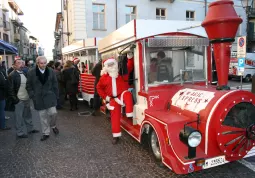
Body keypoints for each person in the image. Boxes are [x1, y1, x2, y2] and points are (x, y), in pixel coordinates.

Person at [97, 58, 134, 144]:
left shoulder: (121, 74)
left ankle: (129, 114)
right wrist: (106, 97)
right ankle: (116, 136)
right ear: (106, 67)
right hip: (112, 99)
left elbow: (129, 66)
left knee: (128, 94)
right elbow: (99, 88)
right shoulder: (103, 78)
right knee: (115, 118)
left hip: (121, 95)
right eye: (109, 65)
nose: (111, 67)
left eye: (112, 64)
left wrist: (130, 58)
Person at [26, 56, 59, 141]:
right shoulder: (31, 72)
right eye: (41, 63)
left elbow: (55, 84)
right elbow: (28, 86)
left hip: (50, 96)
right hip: (38, 98)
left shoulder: (51, 71)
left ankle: (53, 125)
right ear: (37, 63)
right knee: (43, 117)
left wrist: (56, 96)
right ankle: (46, 133)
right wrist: (32, 95)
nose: (44, 65)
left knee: (54, 113)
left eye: (45, 63)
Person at [8, 59, 39, 138]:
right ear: (14, 65)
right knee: (19, 117)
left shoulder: (25, 73)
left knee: (28, 115)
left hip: (27, 98)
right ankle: (20, 133)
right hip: (19, 100)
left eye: (22, 63)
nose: (21, 64)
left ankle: (30, 129)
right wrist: (16, 100)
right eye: (18, 63)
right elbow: (10, 89)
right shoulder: (12, 75)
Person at [0, 65, 11, 131]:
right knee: (2, 111)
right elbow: (3, 83)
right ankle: (3, 126)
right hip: (1, 95)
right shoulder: (0, 72)